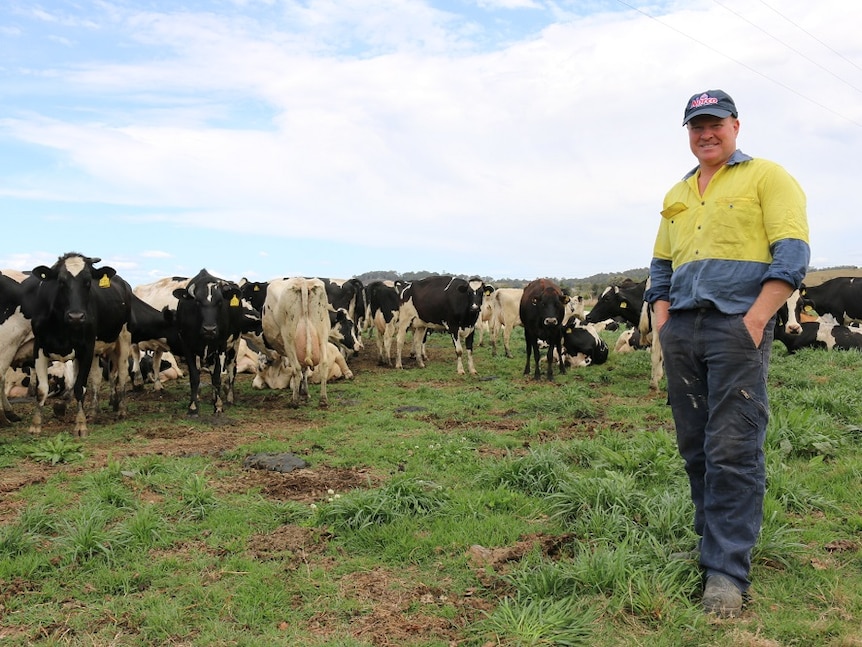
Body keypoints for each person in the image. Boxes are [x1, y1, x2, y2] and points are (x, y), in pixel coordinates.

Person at [644, 89, 810, 617]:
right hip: (684, 333)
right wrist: (664, 320)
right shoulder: (678, 192)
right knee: (695, 447)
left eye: (715, 123)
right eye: (696, 126)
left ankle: (726, 572)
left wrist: (756, 320)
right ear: (688, 132)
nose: (705, 133)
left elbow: (792, 254)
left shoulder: (767, 177)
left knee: (733, 448)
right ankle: (710, 545)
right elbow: (661, 267)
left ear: (736, 125)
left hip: (735, 330)